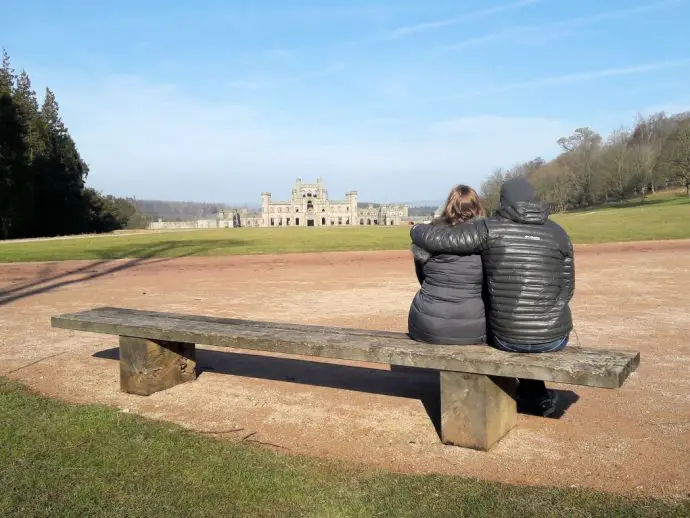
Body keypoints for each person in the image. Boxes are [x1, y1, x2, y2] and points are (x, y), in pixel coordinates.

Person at [410, 177, 575, 417]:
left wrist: (417, 229)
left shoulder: (489, 229)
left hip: (469, 331)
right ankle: (535, 396)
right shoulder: (558, 233)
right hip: (551, 338)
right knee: (514, 323)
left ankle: (527, 395)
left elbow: (437, 248)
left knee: (505, 322)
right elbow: (568, 288)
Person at [408, 185, 486, 345]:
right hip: (472, 326)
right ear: (477, 206)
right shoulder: (486, 236)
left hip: (426, 324)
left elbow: (422, 277)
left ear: (449, 205)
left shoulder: (429, 235)